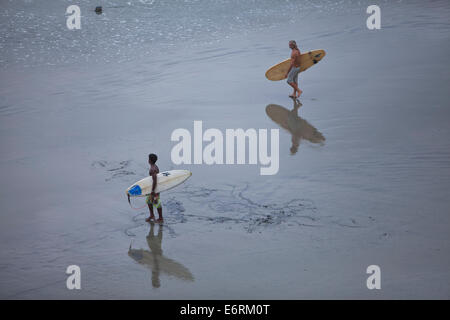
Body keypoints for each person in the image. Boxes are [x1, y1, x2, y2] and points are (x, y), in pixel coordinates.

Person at [145, 153, 163, 223]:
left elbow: (155, 180)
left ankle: (161, 218)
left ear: (150, 160)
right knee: (149, 201)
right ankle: (152, 215)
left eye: (148, 159)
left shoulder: (153, 169)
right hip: (152, 188)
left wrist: (153, 191)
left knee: (156, 202)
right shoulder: (154, 166)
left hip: (155, 189)